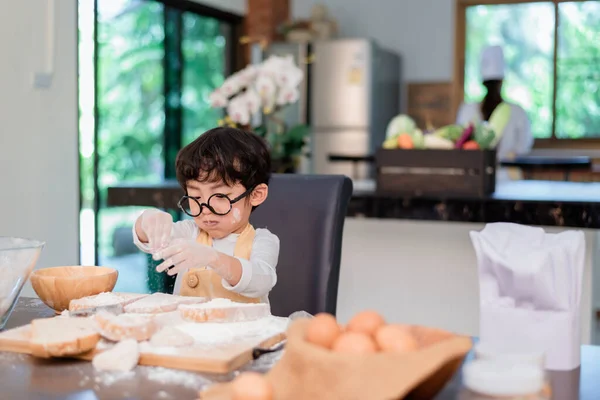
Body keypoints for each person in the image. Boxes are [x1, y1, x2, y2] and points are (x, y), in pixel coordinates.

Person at [132, 127, 279, 304]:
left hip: (243, 331)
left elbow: (261, 280)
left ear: (256, 195)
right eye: (195, 197)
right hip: (188, 330)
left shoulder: (262, 240)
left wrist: (213, 258)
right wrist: (147, 221)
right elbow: (147, 240)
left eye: (220, 196)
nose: (205, 209)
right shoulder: (189, 232)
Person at [456, 45, 534, 162]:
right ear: (502, 82)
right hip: (494, 176)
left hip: (501, 176)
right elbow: (524, 145)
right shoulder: (468, 110)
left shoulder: (516, 112)